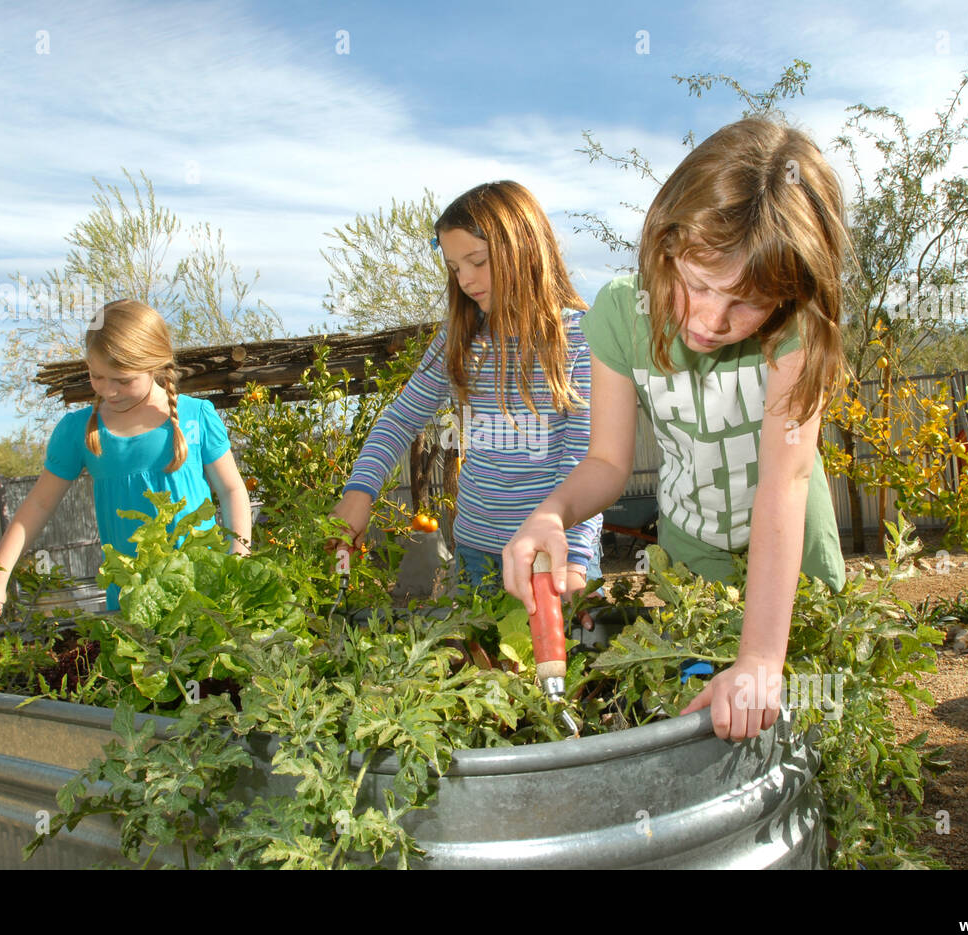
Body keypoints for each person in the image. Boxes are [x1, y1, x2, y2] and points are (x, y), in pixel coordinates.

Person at [503, 117, 849, 741]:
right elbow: (608, 464)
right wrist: (551, 513)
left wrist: (763, 660)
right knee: (708, 722)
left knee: (804, 718)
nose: (713, 320)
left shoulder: (799, 326)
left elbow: (785, 479)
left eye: (747, 303)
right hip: (693, 552)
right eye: (697, 285)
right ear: (665, 246)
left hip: (791, 551)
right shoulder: (618, 316)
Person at [328, 181, 604, 606]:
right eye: (455, 267)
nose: (466, 280)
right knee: (481, 666)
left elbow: (585, 460)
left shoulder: (581, 339)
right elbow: (402, 418)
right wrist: (358, 493)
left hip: (554, 553)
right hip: (475, 551)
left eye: (477, 261)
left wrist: (575, 558)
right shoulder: (460, 337)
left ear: (525, 249)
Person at [0, 299, 251, 630]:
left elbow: (231, 490)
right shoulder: (78, 431)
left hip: (207, 589)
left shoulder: (196, 416)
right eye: (97, 376)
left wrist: (238, 561)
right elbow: (38, 505)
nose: (109, 391)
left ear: (155, 364)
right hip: (131, 600)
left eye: (123, 380)